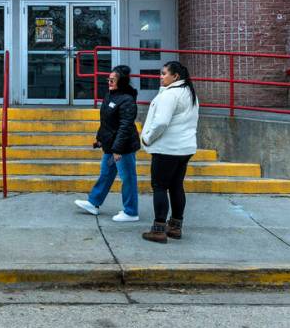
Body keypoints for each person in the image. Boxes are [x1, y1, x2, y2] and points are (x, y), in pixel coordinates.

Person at [139, 61, 199, 243]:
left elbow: (161, 122)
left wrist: (147, 138)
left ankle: (158, 229)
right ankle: (175, 226)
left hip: (167, 149)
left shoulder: (170, 95)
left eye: (164, 73)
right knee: (176, 186)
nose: (161, 76)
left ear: (175, 77)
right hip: (184, 148)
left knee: (159, 186)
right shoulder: (190, 94)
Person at [74, 65, 141, 222]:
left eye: (113, 79)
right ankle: (93, 203)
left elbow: (125, 126)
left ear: (121, 82)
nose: (109, 81)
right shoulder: (110, 95)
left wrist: (117, 149)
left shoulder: (127, 100)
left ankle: (131, 212)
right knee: (106, 173)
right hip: (111, 145)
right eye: (109, 79)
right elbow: (106, 122)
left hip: (122, 147)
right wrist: (100, 138)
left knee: (128, 178)